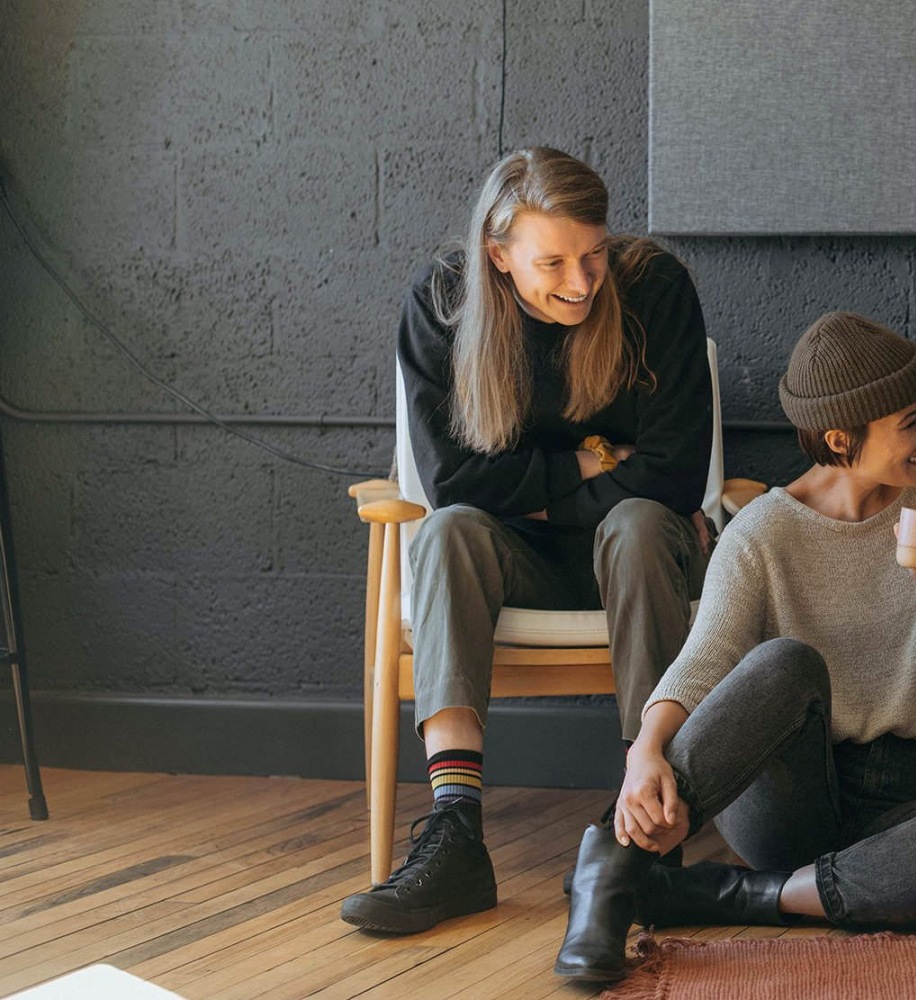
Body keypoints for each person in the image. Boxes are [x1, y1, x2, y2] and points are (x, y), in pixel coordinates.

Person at [551, 312, 916, 984]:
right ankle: (616, 864)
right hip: (791, 799)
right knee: (784, 663)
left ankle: (738, 896)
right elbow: (706, 656)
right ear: (841, 438)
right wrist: (645, 753)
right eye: (908, 424)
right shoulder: (762, 533)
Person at [340, 147, 715, 934]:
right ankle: (455, 835)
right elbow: (448, 483)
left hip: (644, 557)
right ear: (497, 254)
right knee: (444, 534)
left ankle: (646, 826)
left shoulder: (654, 289)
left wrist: (530, 490)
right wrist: (592, 463)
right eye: (554, 262)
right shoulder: (443, 302)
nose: (582, 283)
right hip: (515, 564)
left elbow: (675, 480)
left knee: (641, 523)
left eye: (594, 254)